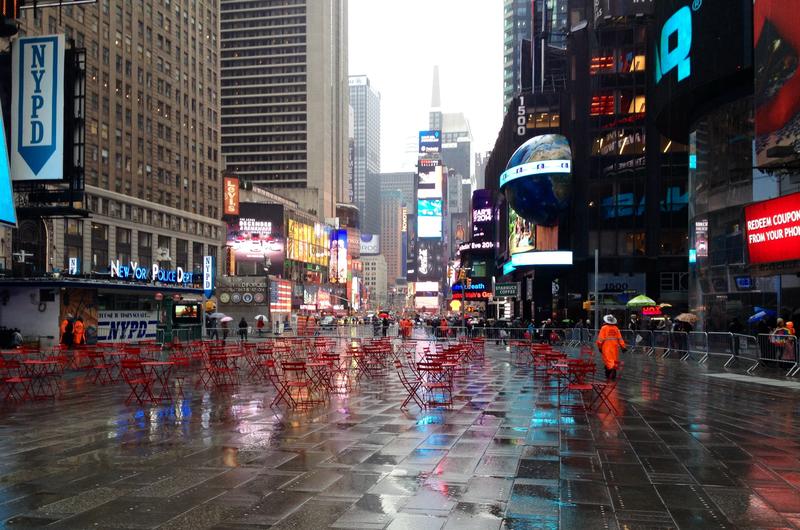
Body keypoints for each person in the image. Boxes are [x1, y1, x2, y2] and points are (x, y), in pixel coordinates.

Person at [596, 314, 625, 380]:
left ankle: (609, 374)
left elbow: (600, 340)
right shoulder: (616, 328)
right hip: (614, 348)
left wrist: (599, 347)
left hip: (606, 348)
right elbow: (620, 338)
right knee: (614, 361)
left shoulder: (604, 328)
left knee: (607, 361)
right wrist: (623, 346)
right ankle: (613, 373)